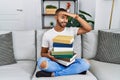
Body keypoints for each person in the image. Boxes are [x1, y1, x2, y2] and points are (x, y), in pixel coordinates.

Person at [36, 8, 92, 77]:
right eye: (62, 17)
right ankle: (73, 70)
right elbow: (42, 53)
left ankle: (54, 74)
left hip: (69, 62)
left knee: (86, 64)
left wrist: (76, 17)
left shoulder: (71, 30)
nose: (65, 20)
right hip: (55, 62)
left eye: (66, 18)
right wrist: (48, 55)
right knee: (42, 63)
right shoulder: (47, 34)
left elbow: (89, 28)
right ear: (56, 17)